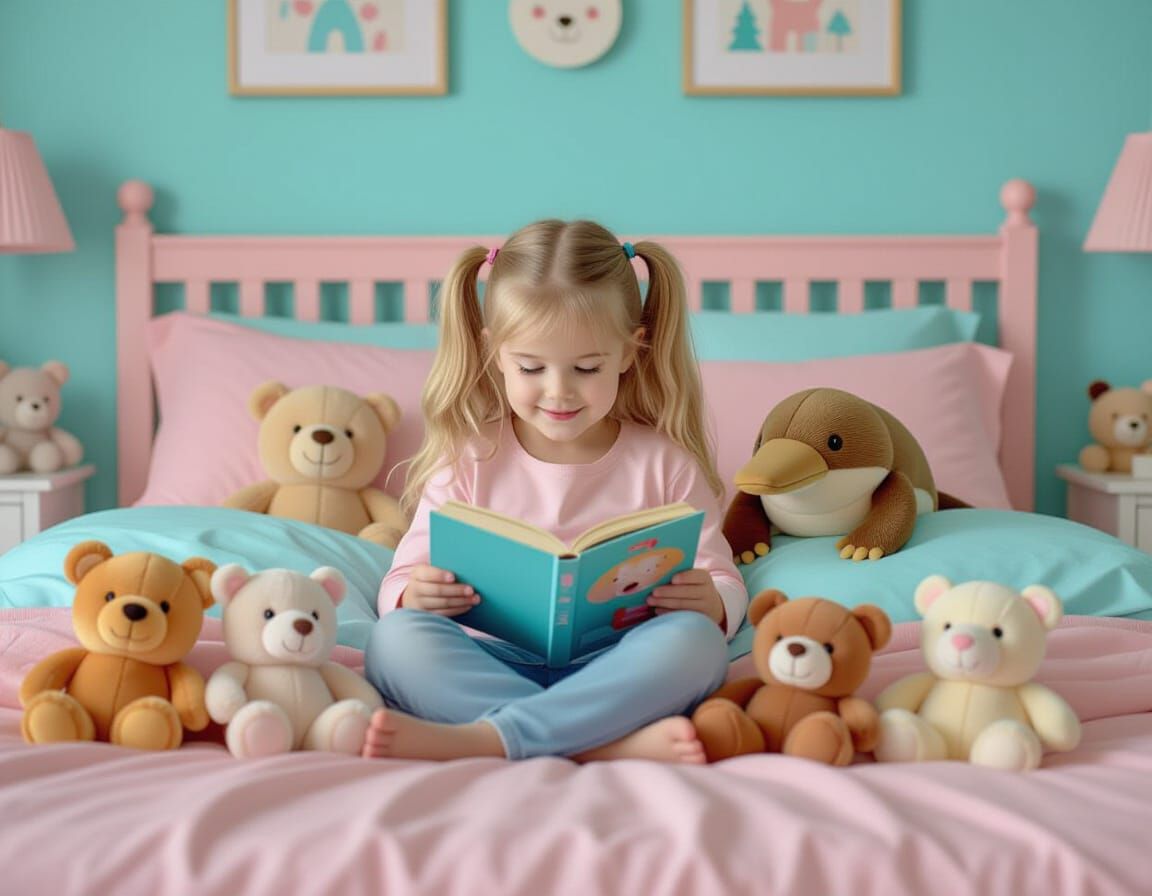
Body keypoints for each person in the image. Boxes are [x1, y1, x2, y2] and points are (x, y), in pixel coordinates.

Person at [361, 219, 748, 763]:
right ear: (495, 353)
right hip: (489, 661)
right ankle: (602, 745)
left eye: (587, 368)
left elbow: (723, 579)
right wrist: (414, 595)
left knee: (698, 643)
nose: (558, 391)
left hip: (616, 667)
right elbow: (401, 581)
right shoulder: (469, 458)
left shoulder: (666, 464)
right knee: (394, 642)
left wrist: (713, 603)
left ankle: (494, 738)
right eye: (531, 367)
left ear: (630, 352)